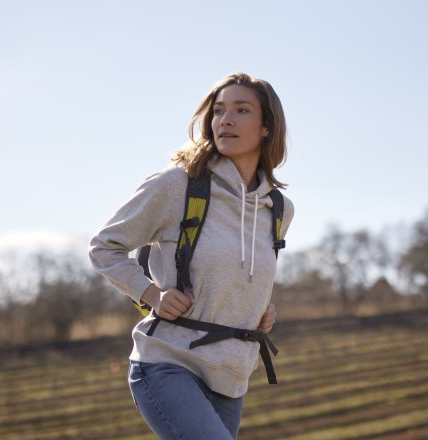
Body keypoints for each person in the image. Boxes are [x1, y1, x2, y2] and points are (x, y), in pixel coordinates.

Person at [88, 72, 294, 439]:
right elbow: (104, 247)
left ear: (267, 127)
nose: (225, 120)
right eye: (218, 111)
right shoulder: (177, 185)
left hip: (231, 376)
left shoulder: (277, 209)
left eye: (241, 110)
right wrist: (151, 295)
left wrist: (258, 308)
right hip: (168, 362)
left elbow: (242, 270)